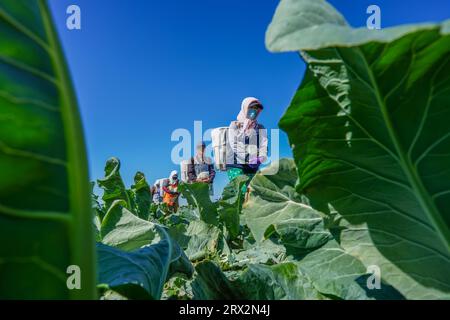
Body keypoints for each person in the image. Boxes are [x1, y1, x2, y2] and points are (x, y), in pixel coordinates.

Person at [226, 97, 268, 194]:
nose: (255, 110)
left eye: (258, 108)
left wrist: (261, 158)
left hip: (252, 166)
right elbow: (235, 145)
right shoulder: (234, 125)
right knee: (241, 193)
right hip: (236, 165)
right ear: (245, 108)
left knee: (252, 194)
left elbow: (263, 145)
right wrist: (248, 158)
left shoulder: (260, 127)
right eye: (252, 107)